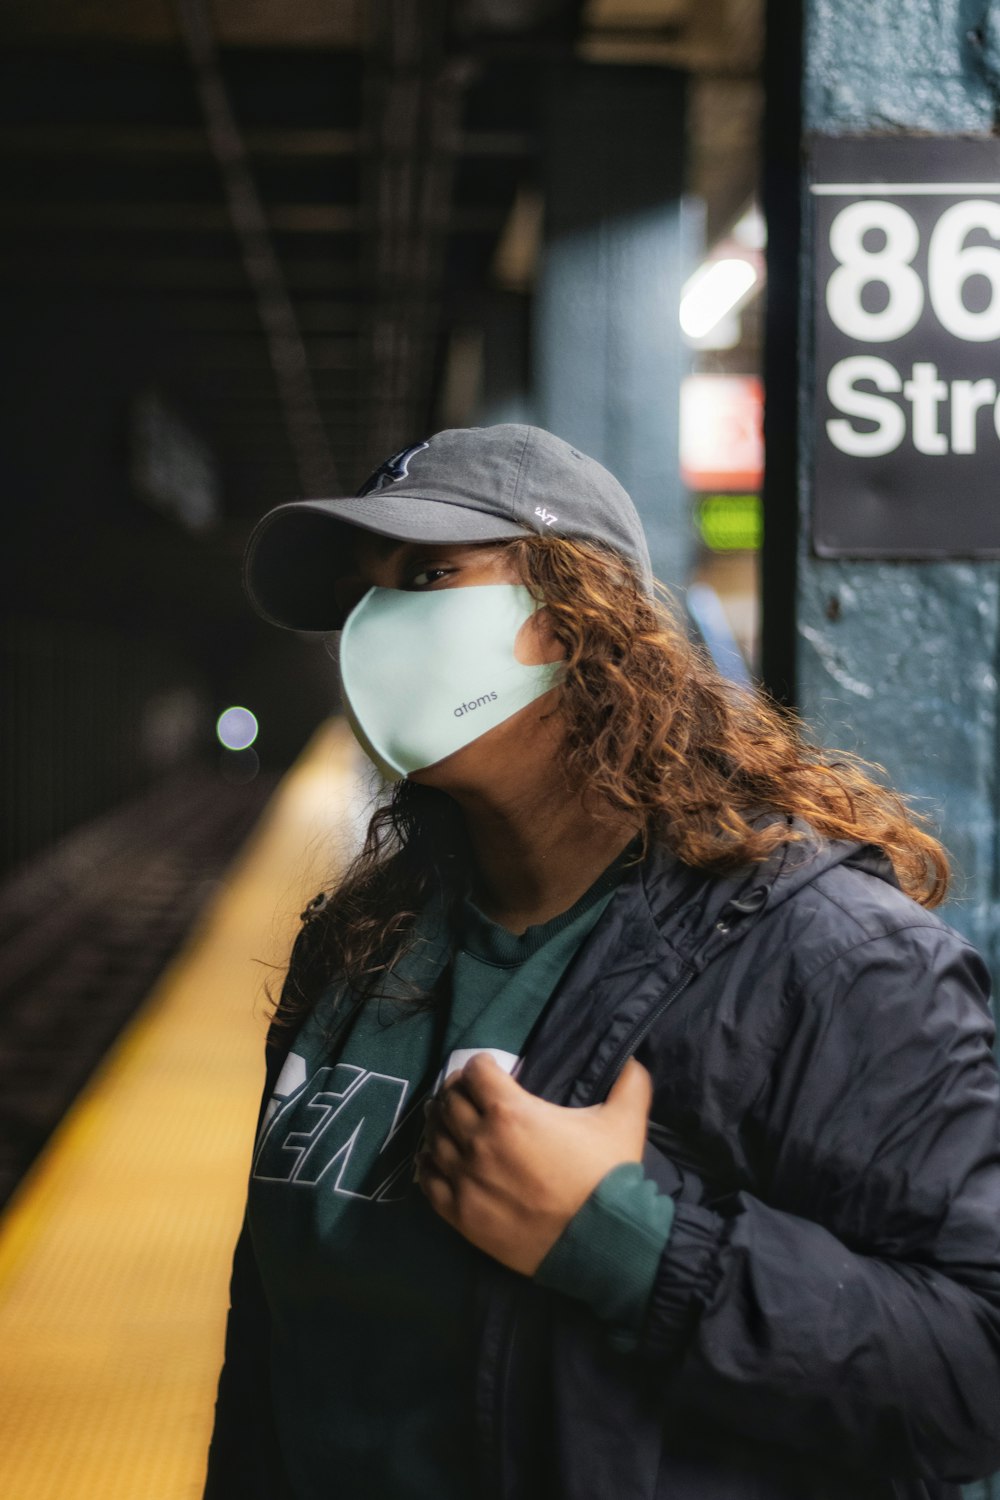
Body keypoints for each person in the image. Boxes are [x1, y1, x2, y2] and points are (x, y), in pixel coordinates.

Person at [205, 424, 1000, 1500]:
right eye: (361, 595)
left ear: (576, 615)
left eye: (429, 575)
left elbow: (971, 1374)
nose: (376, 627)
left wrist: (628, 1241)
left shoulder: (828, 962)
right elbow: (269, 1357)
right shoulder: (360, 948)